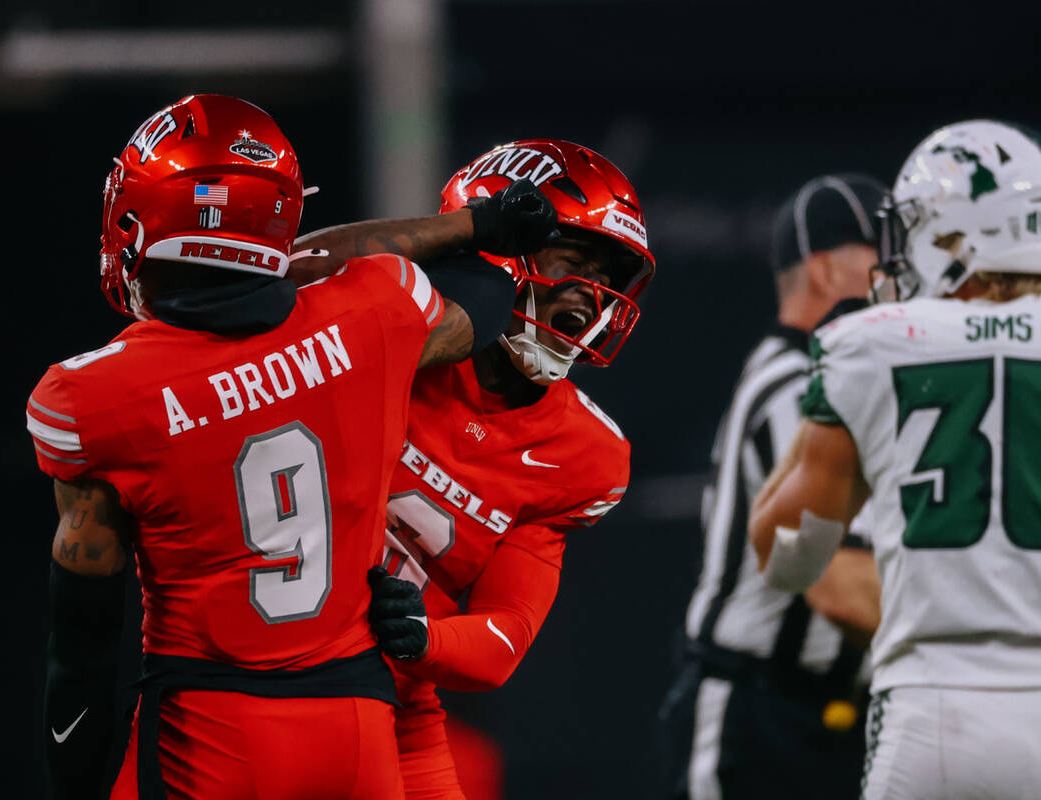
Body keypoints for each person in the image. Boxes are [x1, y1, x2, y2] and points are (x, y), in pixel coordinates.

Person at [27, 94, 559, 800]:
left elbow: (85, 651)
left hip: (215, 728)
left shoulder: (93, 396)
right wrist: (476, 226)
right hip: (359, 731)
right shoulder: (375, 313)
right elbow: (489, 289)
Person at [296, 138, 654, 798]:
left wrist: (421, 637)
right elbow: (282, 275)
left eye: (606, 279)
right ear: (501, 245)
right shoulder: (392, 325)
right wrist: (460, 235)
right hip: (247, 677)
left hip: (394, 710)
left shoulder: (587, 454)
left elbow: (503, 636)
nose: (590, 297)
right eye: (573, 261)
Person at [750, 120, 1041, 799]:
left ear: (954, 238)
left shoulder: (875, 345)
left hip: (934, 707)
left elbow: (790, 557)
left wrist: (842, 404)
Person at [659, 174, 884, 800]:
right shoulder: (798, 387)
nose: (899, 276)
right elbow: (839, 585)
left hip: (827, 713)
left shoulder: (827, 379)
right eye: (881, 256)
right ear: (823, 269)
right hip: (766, 715)